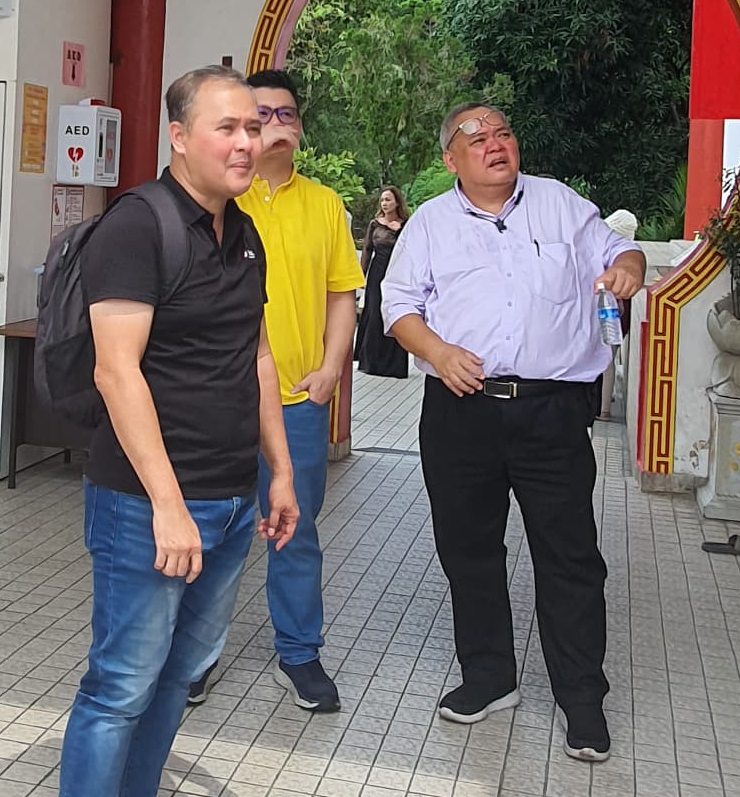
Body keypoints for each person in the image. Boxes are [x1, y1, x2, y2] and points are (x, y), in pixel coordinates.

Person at [46, 66, 300, 797]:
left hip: (230, 499)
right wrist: (165, 501)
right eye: (226, 127)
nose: (246, 141)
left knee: (175, 679)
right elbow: (117, 373)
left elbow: (256, 356)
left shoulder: (243, 232)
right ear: (180, 137)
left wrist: (278, 468)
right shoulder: (137, 227)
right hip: (148, 504)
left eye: (255, 127)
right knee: (119, 684)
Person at [382, 102, 644, 761]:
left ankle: (581, 697)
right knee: (468, 548)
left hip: (551, 411)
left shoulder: (558, 204)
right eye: (477, 139)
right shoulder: (430, 223)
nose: (495, 144)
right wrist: (438, 352)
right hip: (460, 410)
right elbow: (398, 306)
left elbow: (620, 250)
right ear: (451, 159)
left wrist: (630, 269)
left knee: (570, 554)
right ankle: (489, 676)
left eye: (503, 133)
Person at [191, 66, 361, 714]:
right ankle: (195, 655)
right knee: (212, 527)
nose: (274, 125)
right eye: (260, 116)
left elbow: (341, 294)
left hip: (295, 400)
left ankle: (299, 651)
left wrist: (330, 369)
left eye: (286, 114)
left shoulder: (324, 205)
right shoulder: (217, 201)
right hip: (218, 401)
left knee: (295, 528)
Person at [356, 184, 412, 379]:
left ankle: (394, 365)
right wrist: (361, 275)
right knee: (374, 313)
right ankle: (370, 362)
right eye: (382, 200)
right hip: (377, 273)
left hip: (397, 274)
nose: (384, 203)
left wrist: (399, 230)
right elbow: (367, 250)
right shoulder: (375, 224)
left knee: (394, 313)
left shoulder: (406, 225)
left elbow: (411, 250)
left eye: (388, 199)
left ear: (397, 202)